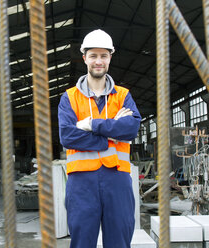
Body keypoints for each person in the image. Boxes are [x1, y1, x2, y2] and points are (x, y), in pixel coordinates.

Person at [58, 29, 141, 248]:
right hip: (81, 182)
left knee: (120, 241)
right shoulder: (69, 98)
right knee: (82, 242)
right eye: (93, 55)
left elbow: (132, 128)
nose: (98, 61)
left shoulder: (123, 95)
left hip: (117, 179)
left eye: (103, 55)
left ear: (110, 58)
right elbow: (67, 136)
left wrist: (92, 125)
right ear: (84, 58)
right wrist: (109, 137)